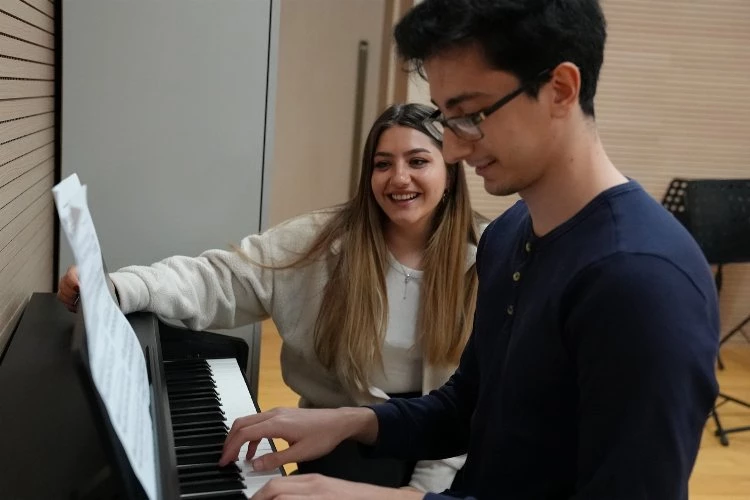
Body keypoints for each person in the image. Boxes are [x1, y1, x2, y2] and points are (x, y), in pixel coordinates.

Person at [217, 1, 720, 499]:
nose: (454, 148)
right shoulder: (508, 235)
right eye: (447, 116)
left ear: (561, 89)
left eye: (472, 114)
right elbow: (469, 407)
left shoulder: (641, 281)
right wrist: (352, 421)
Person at [57, 103, 488, 493]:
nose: (399, 177)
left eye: (418, 161)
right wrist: (117, 287)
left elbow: (476, 404)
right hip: (340, 437)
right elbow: (218, 278)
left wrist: (422, 492)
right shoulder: (320, 240)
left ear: (450, 173)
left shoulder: (491, 255)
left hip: (454, 450)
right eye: (382, 164)